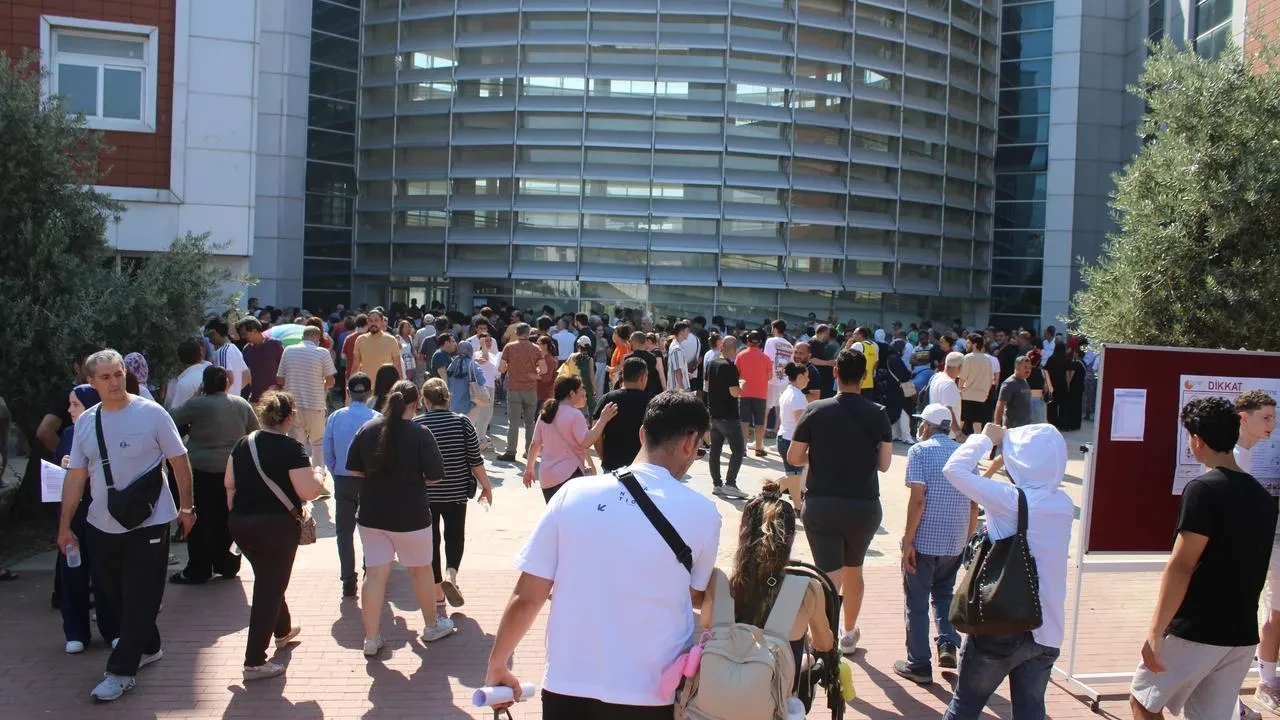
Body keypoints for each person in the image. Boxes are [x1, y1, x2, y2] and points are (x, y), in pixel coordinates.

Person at [484, 392, 721, 718]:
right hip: (652, 693)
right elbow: (695, 593)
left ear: (642, 434)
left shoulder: (573, 493)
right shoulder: (704, 513)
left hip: (567, 687)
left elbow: (528, 596)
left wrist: (497, 665)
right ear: (691, 443)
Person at [57, 350, 196, 702]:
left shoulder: (152, 413)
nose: (115, 382)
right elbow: (76, 477)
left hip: (150, 521)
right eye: (105, 377)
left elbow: (179, 461)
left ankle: (121, 671)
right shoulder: (86, 422)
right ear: (91, 382)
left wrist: (187, 508)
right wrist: (64, 526)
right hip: (101, 524)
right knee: (112, 595)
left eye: (118, 374)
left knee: (140, 594)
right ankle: (149, 645)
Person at [1130, 397, 1278, 720]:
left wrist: (1156, 631)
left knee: (1143, 702)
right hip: (1241, 634)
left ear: (1197, 440)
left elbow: (1182, 565)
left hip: (1197, 628)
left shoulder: (1203, 490)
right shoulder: (1263, 498)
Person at [940, 422, 1073, 720]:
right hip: (1047, 629)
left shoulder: (1010, 500)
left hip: (1001, 623)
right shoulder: (1064, 503)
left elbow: (954, 470)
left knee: (964, 708)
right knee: (1031, 712)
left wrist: (984, 439)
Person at [785, 348, 892, 656]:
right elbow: (884, 464)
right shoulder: (878, 413)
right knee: (854, 569)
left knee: (827, 574)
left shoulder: (815, 409)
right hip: (863, 504)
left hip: (822, 503)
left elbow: (794, 457)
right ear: (865, 376)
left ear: (835, 373)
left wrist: (818, 455)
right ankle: (848, 632)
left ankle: (823, 635)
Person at [344, 380, 453, 655]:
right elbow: (436, 476)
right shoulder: (420, 433)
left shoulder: (368, 429)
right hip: (411, 515)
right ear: (416, 404)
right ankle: (431, 626)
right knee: (421, 570)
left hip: (372, 515)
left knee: (375, 575)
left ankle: (371, 638)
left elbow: (353, 469)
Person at [224, 391, 326, 681]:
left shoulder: (243, 443)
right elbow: (308, 491)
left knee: (268, 578)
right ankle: (254, 661)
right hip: (276, 527)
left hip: (241, 523)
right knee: (269, 588)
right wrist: (319, 475)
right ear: (289, 418)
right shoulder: (291, 448)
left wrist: (237, 513)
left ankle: (282, 630)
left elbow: (229, 483)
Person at [702, 480, 834, 688]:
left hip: (720, 691)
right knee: (806, 660)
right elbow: (824, 644)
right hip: (774, 695)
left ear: (742, 530)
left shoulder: (719, 580)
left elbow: (706, 622)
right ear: (791, 538)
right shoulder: (806, 590)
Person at [894, 404, 973, 685]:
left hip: (925, 540)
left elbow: (918, 500)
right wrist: (966, 537)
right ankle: (948, 643)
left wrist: (908, 540)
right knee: (943, 594)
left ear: (927, 426)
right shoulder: (965, 453)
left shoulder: (919, 451)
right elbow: (973, 502)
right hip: (954, 540)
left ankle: (919, 663)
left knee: (916, 603)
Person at [168, 366, 258, 584]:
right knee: (227, 517)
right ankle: (227, 564)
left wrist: (196, 396)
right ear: (227, 383)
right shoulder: (241, 404)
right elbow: (254, 430)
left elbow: (171, 418)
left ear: (205, 383)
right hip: (232, 469)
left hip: (201, 469)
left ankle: (199, 569)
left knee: (201, 520)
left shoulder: (198, 404)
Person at [415, 378, 494, 621]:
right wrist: (486, 486)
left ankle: (438, 592)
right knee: (455, 535)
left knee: (431, 540)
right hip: (457, 491)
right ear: (447, 399)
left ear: (425, 401)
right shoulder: (462, 422)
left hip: (426, 493)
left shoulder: (418, 424)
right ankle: (451, 575)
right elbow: (475, 459)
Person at [54, 384, 119, 654]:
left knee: (106, 574)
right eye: (70, 404)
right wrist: (63, 467)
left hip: (103, 513)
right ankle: (75, 632)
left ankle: (113, 629)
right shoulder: (68, 434)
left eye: (76, 404)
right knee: (73, 573)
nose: (69, 410)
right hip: (74, 515)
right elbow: (59, 474)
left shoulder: (108, 430)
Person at [322, 373, 377, 599]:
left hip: (344, 479)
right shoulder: (377, 418)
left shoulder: (336, 417)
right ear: (369, 393)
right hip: (370, 482)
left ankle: (348, 580)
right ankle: (370, 573)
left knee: (344, 533)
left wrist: (336, 473)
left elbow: (327, 452)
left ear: (348, 393)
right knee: (371, 531)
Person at [523, 376, 618, 502]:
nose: (583, 391)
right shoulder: (575, 414)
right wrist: (603, 419)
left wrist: (529, 469)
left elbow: (535, 444)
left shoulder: (545, 413)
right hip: (569, 475)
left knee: (555, 512)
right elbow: (586, 442)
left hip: (546, 476)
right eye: (581, 389)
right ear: (572, 393)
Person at [276, 325, 336, 467]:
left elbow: (280, 379)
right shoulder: (322, 353)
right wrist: (319, 381)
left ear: (303, 336)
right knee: (318, 443)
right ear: (316, 337)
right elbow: (331, 382)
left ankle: (297, 472)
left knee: (296, 444)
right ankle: (318, 473)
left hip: (293, 405)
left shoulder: (288, 351)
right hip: (315, 404)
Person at [497, 323, 548, 462]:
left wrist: (511, 367)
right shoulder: (536, 348)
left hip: (514, 388)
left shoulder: (509, 347)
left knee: (513, 422)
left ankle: (510, 452)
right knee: (530, 422)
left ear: (516, 333)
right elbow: (544, 369)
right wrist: (534, 374)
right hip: (531, 389)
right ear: (528, 333)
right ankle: (529, 452)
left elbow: (501, 368)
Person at [593, 357, 651, 473]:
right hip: (642, 467)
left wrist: (604, 458)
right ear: (642, 377)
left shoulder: (607, 399)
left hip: (612, 465)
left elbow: (596, 434)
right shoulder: (651, 402)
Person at [707, 336, 747, 497]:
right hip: (729, 415)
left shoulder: (712, 363)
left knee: (715, 450)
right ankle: (730, 483)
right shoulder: (730, 367)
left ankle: (717, 484)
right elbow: (734, 392)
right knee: (738, 449)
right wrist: (742, 387)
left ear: (721, 347)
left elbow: (708, 385)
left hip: (714, 413)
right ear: (735, 349)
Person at [775, 362, 810, 503]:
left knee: (794, 476)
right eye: (806, 376)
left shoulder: (788, 392)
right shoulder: (797, 396)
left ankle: (796, 506)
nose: (808, 380)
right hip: (791, 440)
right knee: (794, 477)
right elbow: (801, 423)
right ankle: (768, 492)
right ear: (800, 377)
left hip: (785, 438)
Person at [736, 330, 772, 457]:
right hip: (761, 393)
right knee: (759, 423)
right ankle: (758, 448)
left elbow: (736, 373)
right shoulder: (766, 358)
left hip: (744, 392)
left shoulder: (740, 355)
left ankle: (743, 448)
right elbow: (769, 376)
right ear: (760, 342)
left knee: (744, 421)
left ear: (747, 341)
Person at [238, 317, 285, 403]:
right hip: (255, 398)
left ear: (254, 330)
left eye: (245, 333)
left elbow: (284, 368)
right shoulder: (247, 349)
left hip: (275, 398)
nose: (243, 337)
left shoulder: (274, 344)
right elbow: (246, 374)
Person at [470, 332, 500, 451]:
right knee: (482, 415)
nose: (488, 343)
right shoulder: (476, 354)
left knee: (488, 415)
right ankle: (480, 440)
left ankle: (480, 437)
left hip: (491, 386)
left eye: (489, 340)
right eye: (485, 340)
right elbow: (484, 358)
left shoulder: (494, 355)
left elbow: (496, 372)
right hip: (481, 387)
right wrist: (482, 345)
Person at [206, 317, 250, 398]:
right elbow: (247, 376)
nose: (209, 341)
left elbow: (227, 380)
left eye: (209, 336)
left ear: (215, 333)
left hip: (225, 401)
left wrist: (225, 396)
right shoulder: (235, 348)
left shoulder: (222, 352)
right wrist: (235, 391)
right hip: (235, 399)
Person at [958, 334, 993, 435]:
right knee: (978, 423)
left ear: (974, 344)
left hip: (967, 394)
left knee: (961, 420)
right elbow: (990, 379)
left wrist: (959, 390)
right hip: (982, 395)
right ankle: (978, 441)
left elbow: (962, 377)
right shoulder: (987, 359)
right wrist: (986, 392)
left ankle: (955, 440)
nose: (966, 345)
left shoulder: (968, 358)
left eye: (968, 342)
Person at [354, 309, 403, 379]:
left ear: (382, 321)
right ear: (367, 321)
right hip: (366, 384)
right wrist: (350, 383)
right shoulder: (360, 340)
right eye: (370, 321)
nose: (373, 323)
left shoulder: (391, 340)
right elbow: (355, 366)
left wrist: (400, 383)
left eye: (376, 320)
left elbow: (397, 366)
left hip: (386, 384)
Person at [164, 337, 209, 410]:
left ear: (179, 358)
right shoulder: (212, 373)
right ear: (201, 354)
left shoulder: (182, 383)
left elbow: (174, 412)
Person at [927, 351, 964, 435]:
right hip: (947, 435)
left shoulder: (936, 377)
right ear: (959, 367)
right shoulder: (949, 383)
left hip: (935, 429)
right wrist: (958, 432)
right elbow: (948, 410)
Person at [994, 356, 1034, 429]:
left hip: (1025, 426)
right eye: (1025, 367)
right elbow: (1000, 406)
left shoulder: (1025, 381)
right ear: (1017, 367)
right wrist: (997, 427)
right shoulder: (1009, 384)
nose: (1028, 370)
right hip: (1013, 427)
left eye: (1029, 368)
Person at [443, 339, 482, 414]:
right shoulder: (472, 365)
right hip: (469, 406)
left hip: (452, 406)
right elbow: (482, 381)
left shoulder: (452, 364)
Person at [667, 321, 692, 392]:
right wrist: (682, 391)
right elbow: (678, 371)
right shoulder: (677, 349)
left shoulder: (676, 345)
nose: (688, 333)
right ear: (681, 332)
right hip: (677, 390)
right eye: (687, 331)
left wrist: (685, 373)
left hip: (676, 389)